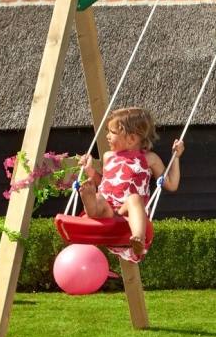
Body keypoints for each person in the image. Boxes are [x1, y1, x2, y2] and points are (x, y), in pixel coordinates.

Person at [79, 107, 184, 262]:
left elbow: (172, 184)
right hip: (107, 210)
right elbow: (107, 184)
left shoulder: (150, 158)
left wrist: (176, 157)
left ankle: (138, 238)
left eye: (112, 132)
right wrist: (91, 173)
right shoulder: (108, 156)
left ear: (132, 139)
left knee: (134, 199)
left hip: (127, 214)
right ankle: (91, 206)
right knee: (99, 197)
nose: (107, 136)